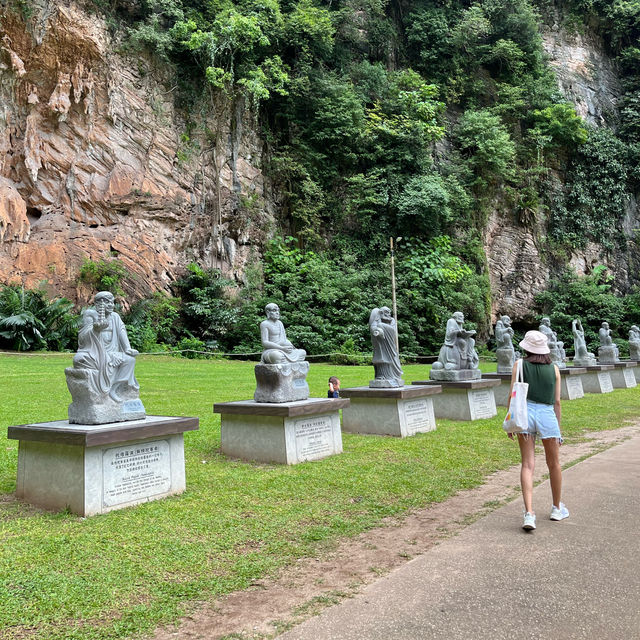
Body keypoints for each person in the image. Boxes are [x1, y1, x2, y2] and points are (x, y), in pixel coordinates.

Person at [507, 330, 569, 531]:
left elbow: (512, 396)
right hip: (546, 414)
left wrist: (511, 422)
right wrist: (558, 429)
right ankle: (557, 508)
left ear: (526, 347)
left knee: (527, 464)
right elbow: (557, 402)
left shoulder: (519, 365)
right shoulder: (555, 369)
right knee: (554, 464)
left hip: (524, 414)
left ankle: (529, 513)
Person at [72, 291, 140, 401]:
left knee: (130, 360)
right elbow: (83, 336)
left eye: (112, 302)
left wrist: (127, 348)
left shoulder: (115, 317)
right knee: (79, 360)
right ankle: (102, 392)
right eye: (107, 303)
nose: (111, 305)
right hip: (96, 352)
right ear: (98, 304)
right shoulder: (90, 314)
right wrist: (95, 330)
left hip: (113, 352)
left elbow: (122, 331)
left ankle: (114, 389)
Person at [369, 306, 403, 384]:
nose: (389, 314)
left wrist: (382, 327)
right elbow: (373, 327)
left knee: (391, 359)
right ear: (381, 313)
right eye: (386, 312)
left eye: (389, 312)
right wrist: (378, 330)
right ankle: (381, 376)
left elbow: (393, 331)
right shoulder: (377, 319)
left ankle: (393, 377)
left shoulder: (392, 321)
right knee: (381, 359)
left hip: (389, 345)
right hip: (380, 346)